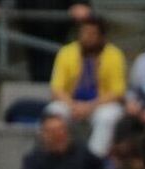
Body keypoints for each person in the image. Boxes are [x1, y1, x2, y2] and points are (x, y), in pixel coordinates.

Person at [48, 15, 127, 157]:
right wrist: (73, 105)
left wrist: (89, 106)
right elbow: (56, 88)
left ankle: (92, 160)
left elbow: (118, 92)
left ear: (101, 36)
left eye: (92, 34)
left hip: (100, 104)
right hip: (72, 102)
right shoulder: (66, 52)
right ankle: (57, 156)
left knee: (107, 116)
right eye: (84, 33)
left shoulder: (114, 54)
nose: (87, 37)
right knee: (54, 111)